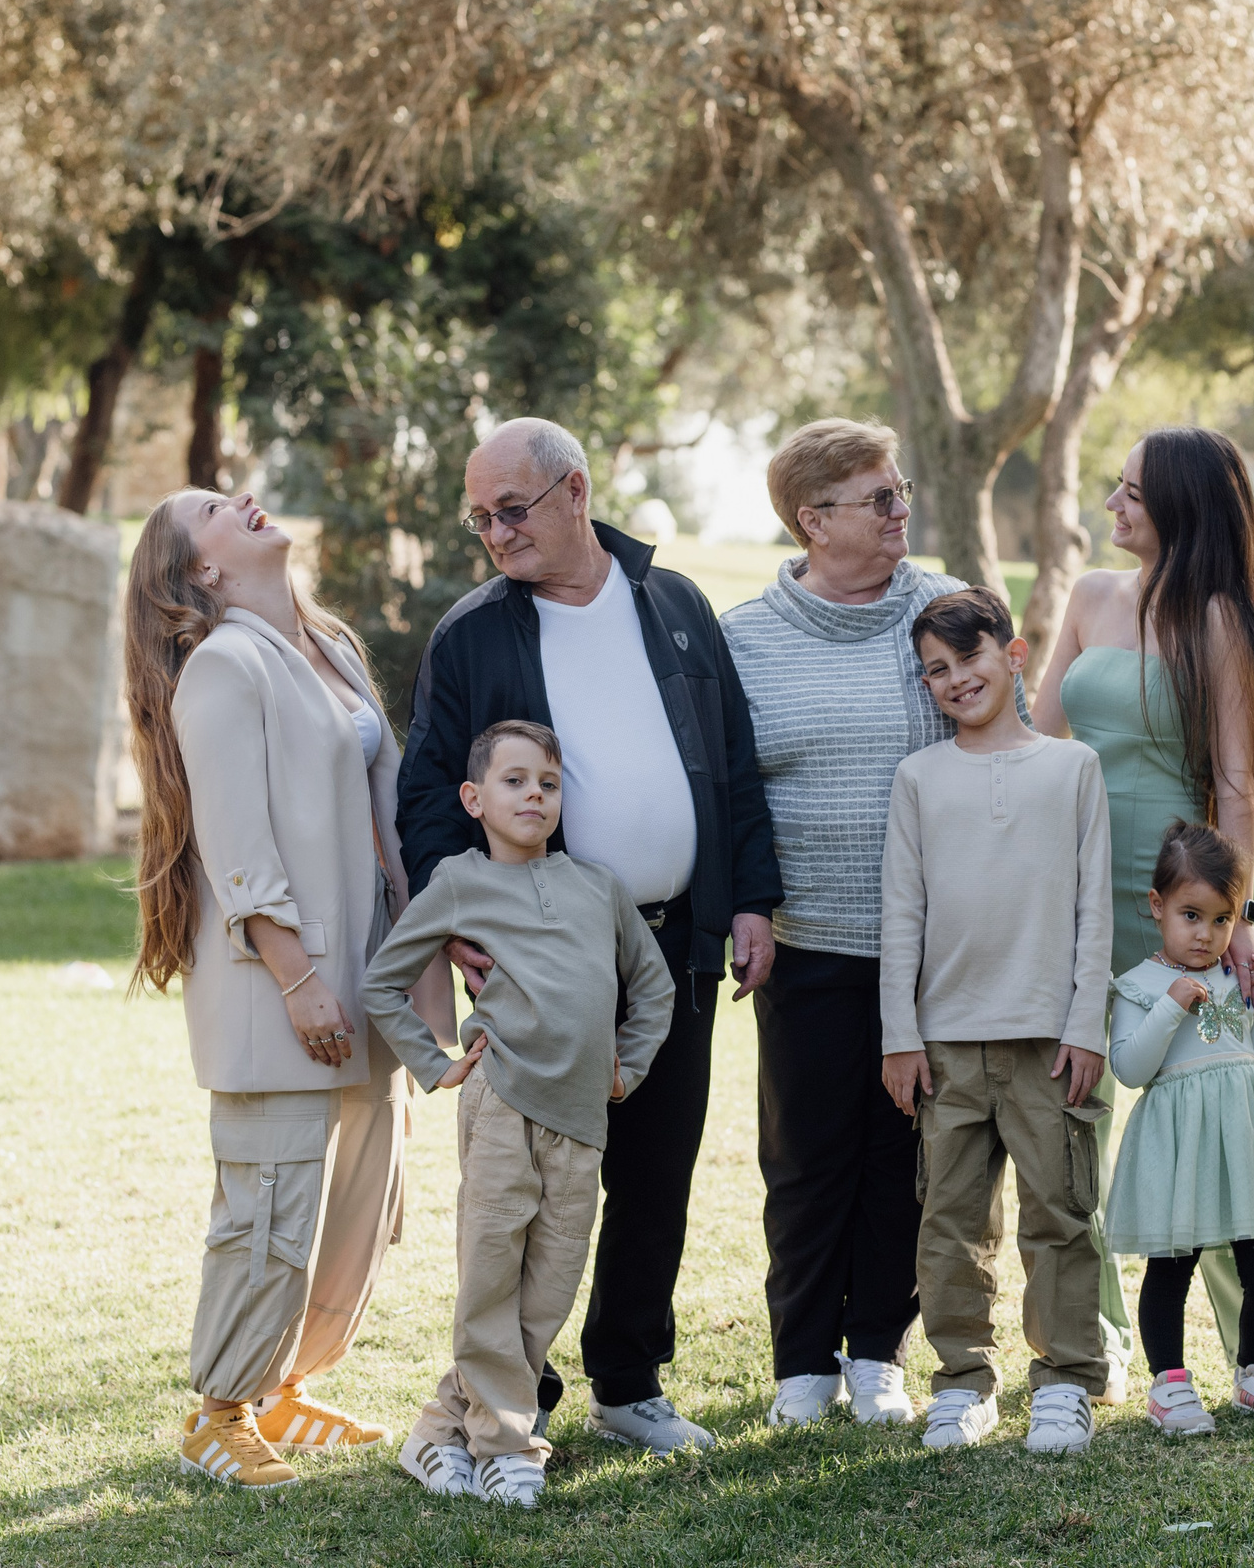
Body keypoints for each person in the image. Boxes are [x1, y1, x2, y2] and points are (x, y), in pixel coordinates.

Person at [398, 417, 780, 1456]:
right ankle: (515, 1387)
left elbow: (733, 761)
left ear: (573, 491)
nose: (494, 532)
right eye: (479, 517)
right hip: (541, 957)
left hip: (679, 944)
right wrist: (459, 912)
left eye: (509, 509)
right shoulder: (473, 633)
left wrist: (751, 899)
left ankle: (628, 1380)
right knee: (533, 1187)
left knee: (658, 1173)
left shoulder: (676, 603)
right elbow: (430, 788)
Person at [1031, 425, 1254, 1427]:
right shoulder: (1089, 597)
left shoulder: (1222, 621)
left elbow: (1237, 781)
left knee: (1221, 1119)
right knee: (1071, 1114)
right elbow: (1034, 736)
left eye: (1132, 495)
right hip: (1073, 887)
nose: (1111, 506)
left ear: (1183, 509)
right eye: (1112, 487)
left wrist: (1234, 920)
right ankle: (1090, 1340)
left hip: (1177, 900)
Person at [122, 488, 442, 1490]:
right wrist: (298, 975)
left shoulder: (330, 646)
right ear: (202, 573)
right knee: (268, 1201)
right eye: (216, 508)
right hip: (280, 983)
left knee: (356, 1201)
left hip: (364, 978)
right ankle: (219, 1409)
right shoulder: (222, 664)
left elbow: (382, 815)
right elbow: (235, 837)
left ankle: (284, 1385)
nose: (246, 499)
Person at [720, 418, 976, 1428]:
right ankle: (800, 1360)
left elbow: (998, 726)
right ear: (811, 519)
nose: (899, 508)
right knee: (806, 1154)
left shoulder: (943, 608)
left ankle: (877, 1350)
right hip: (804, 939)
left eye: (899, 488)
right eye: (877, 497)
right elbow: (731, 791)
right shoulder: (743, 637)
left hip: (930, 943)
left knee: (904, 1154)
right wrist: (747, 905)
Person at [365, 722, 676, 1509]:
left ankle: (439, 1431)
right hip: (502, 1103)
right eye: (514, 780)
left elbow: (655, 986)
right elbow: (383, 983)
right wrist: (436, 1065)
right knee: (491, 1276)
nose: (533, 793)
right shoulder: (459, 883)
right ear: (475, 798)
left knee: (546, 1290)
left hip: (582, 1116)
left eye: (547, 781)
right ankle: (508, 1443)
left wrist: (628, 1064)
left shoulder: (597, 886)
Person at [879, 589, 1116, 1454]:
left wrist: (1086, 1023)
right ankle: (962, 1380)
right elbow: (901, 911)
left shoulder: (1072, 768)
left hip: (1051, 1042)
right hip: (945, 1045)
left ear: (1012, 654)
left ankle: (1065, 1379)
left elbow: (1096, 909)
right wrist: (898, 1033)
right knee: (949, 1219)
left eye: (967, 659)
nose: (953, 680)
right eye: (935, 671)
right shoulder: (920, 778)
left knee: (1059, 1212)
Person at [1105, 821, 1254, 1434]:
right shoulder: (1140, 986)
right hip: (1181, 1142)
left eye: (1222, 920)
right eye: (1191, 915)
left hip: (1245, 1136)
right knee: (1173, 1263)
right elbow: (1128, 1068)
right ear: (1157, 907)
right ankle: (1168, 1384)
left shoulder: (1234, 976)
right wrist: (1171, 1005)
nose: (1206, 934)